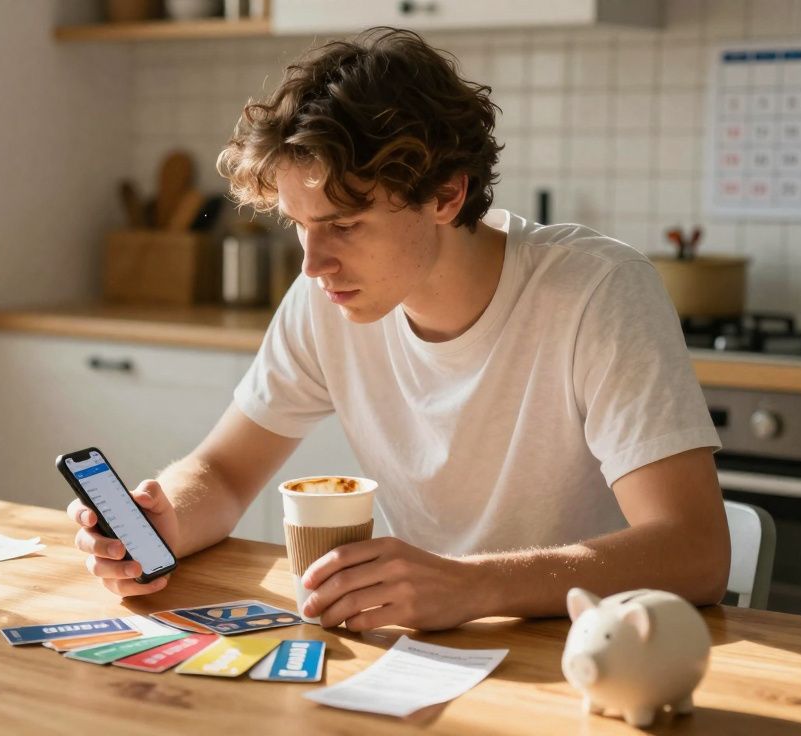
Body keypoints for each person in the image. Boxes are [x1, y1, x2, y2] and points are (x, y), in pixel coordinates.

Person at [67, 27, 730, 632]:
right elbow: (224, 472)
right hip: (427, 654)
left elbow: (695, 549)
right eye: (300, 225)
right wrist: (165, 519)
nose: (312, 263)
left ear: (445, 196)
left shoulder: (597, 292)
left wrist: (470, 586)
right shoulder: (323, 299)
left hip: (604, 648)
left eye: (345, 225)